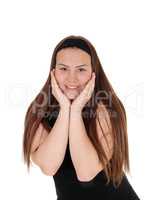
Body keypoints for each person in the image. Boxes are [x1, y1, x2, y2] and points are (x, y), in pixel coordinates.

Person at [22, 35, 140, 199]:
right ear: (53, 72)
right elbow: (48, 166)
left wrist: (76, 110)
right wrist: (65, 108)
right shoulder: (40, 111)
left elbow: (86, 172)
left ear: (93, 73)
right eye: (63, 69)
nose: (72, 78)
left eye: (81, 69)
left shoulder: (105, 109)